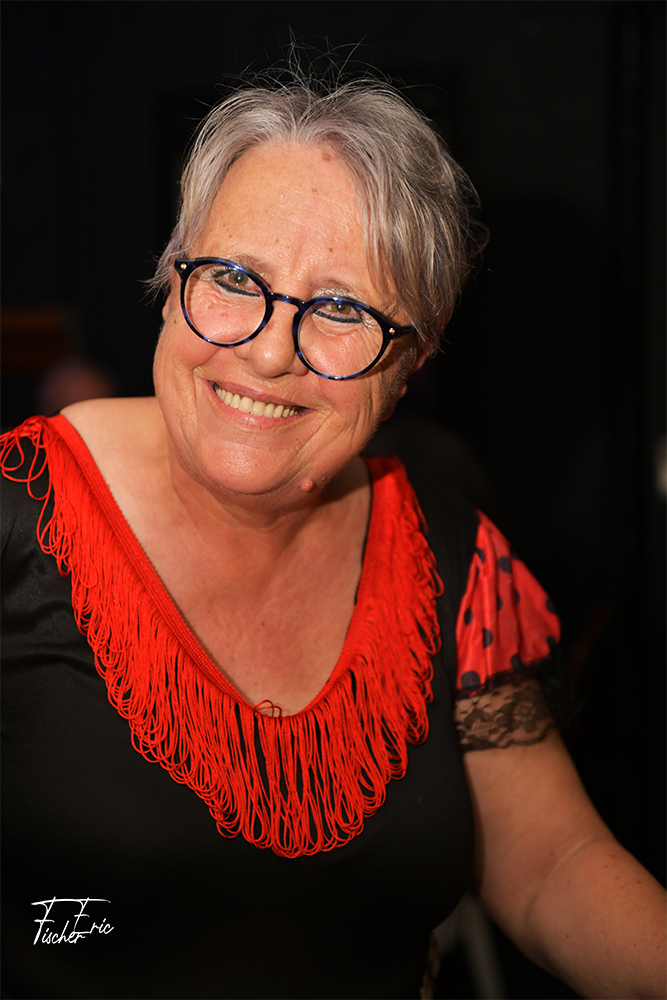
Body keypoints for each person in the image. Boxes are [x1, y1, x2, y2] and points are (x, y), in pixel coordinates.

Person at [1, 74, 664, 1000]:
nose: (270, 351)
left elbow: (552, 865)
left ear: (411, 359)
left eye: (343, 308)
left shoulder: (449, 559)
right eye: (234, 279)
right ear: (171, 278)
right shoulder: (16, 519)